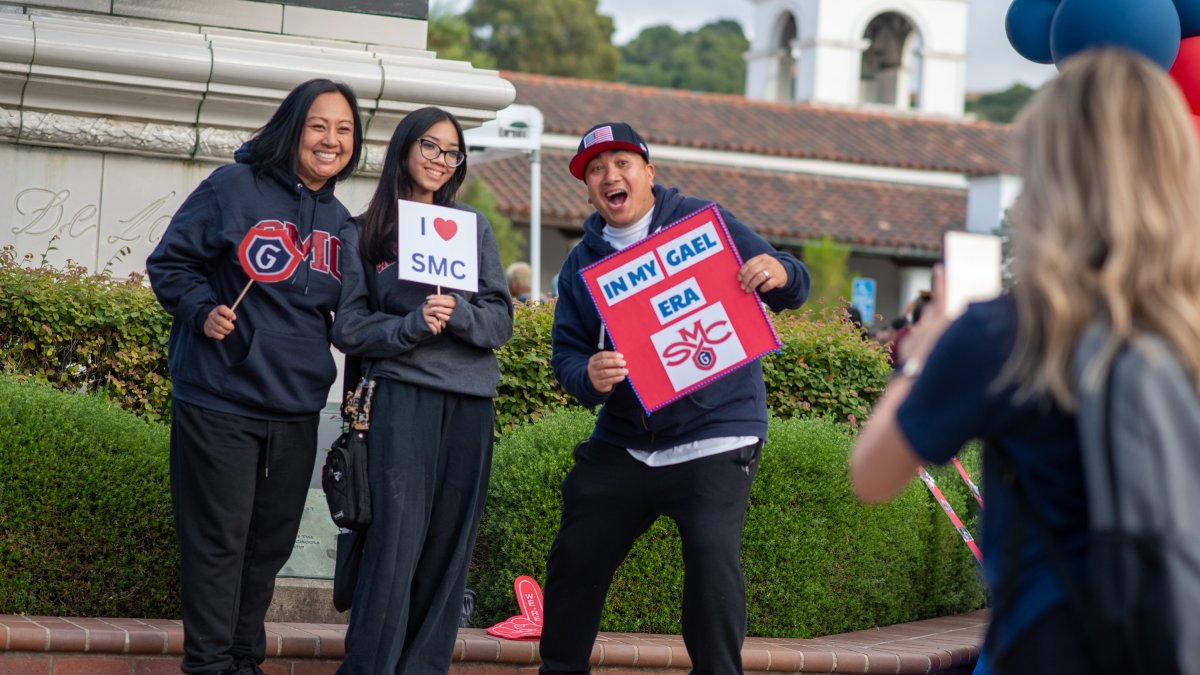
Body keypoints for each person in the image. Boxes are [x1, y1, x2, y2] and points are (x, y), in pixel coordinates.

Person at [850, 48, 1200, 674]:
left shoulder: (1004, 334)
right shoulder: (1186, 327)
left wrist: (919, 360)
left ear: (1052, 174)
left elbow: (872, 477)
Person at [540, 122, 811, 674]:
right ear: (588, 190)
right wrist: (587, 373)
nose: (609, 176)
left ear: (648, 173)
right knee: (575, 557)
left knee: (712, 562)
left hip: (717, 434)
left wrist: (778, 270)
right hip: (624, 442)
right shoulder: (581, 264)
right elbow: (565, 357)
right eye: (595, 170)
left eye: (621, 163)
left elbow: (794, 285)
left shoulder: (703, 223)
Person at [147, 78, 363, 675]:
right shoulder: (231, 188)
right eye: (319, 125)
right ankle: (210, 666)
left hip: (295, 406)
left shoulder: (343, 223)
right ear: (292, 128)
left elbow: (352, 314)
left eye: (344, 130)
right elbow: (169, 262)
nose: (331, 140)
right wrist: (201, 308)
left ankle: (245, 661)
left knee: (267, 549)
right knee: (218, 544)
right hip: (220, 396)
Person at [331, 106, 514, 674]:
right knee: (393, 547)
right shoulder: (363, 231)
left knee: (447, 550)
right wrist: (410, 325)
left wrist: (456, 313)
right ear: (406, 149)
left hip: (469, 404)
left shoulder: (472, 228)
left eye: (451, 152)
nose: (440, 159)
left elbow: (499, 321)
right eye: (430, 146)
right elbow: (349, 327)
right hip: (399, 399)